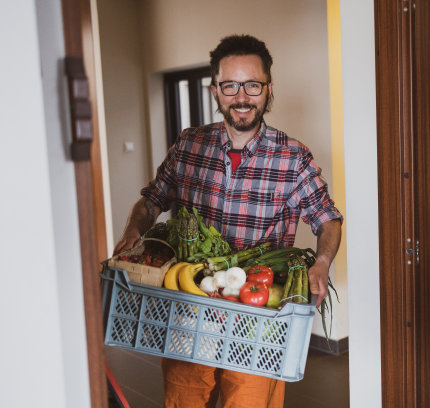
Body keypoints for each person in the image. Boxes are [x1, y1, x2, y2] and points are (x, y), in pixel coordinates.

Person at [113, 34, 343, 408]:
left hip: (257, 320)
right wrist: (133, 231)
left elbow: (328, 218)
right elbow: (152, 199)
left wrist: (321, 262)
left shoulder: (293, 157)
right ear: (215, 90)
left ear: (269, 89)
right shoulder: (188, 145)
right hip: (188, 313)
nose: (241, 97)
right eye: (230, 85)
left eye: (252, 85)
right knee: (183, 402)